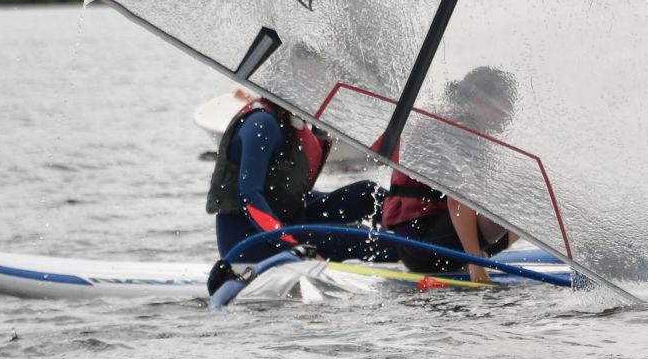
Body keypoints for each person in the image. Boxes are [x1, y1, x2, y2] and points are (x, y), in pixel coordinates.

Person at [380, 66, 520, 284]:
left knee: (528, 191)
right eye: (505, 103)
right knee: (521, 196)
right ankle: (474, 257)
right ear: (480, 100)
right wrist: (476, 266)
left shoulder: (464, 122)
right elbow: (458, 200)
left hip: (429, 242)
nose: (510, 113)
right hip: (420, 245)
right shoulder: (457, 128)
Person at [207, 97, 388, 262]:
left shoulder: (291, 121)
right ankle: (406, 254)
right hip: (248, 242)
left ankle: (411, 235)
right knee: (362, 238)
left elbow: (289, 195)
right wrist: (294, 247)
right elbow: (250, 198)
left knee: (367, 194)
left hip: (289, 219)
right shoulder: (262, 123)